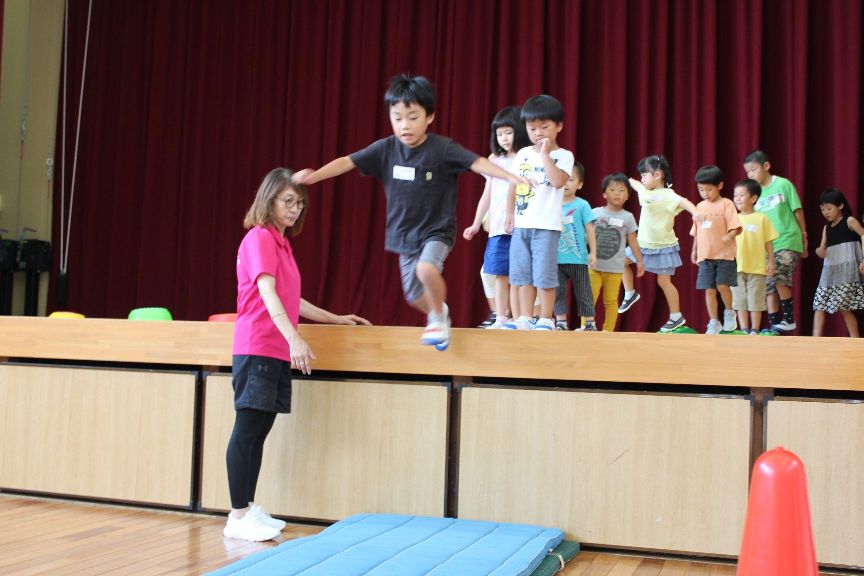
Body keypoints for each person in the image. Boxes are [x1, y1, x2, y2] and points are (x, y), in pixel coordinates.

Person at [294, 75, 527, 350]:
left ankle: (439, 318)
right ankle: (439, 311)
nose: (405, 125)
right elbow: (348, 161)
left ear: (429, 117)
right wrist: (315, 177)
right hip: (404, 235)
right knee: (413, 295)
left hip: (438, 230)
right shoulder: (386, 149)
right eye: (398, 118)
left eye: (413, 117)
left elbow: (477, 163)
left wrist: (510, 177)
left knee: (426, 268)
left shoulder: (443, 148)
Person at [225, 168, 370, 542]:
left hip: (274, 350)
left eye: (299, 203)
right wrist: (295, 340)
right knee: (248, 428)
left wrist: (335, 318)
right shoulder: (259, 238)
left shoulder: (282, 244)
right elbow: (268, 294)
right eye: (287, 201)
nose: (294, 209)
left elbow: (293, 299)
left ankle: (248, 507)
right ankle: (237, 514)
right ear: (269, 199)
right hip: (258, 345)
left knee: (260, 430)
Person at [502, 94, 574, 331]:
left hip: (547, 226)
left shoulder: (564, 156)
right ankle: (524, 317)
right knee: (521, 273)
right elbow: (513, 183)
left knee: (544, 274)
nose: (538, 132)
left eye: (544, 127)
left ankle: (545, 318)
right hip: (522, 224)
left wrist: (544, 155)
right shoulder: (522, 153)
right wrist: (509, 213)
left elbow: (557, 182)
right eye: (532, 128)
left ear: (559, 126)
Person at [463, 106, 531, 329]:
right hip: (498, 227)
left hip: (521, 226)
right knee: (499, 273)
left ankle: (522, 318)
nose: (503, 138)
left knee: (519, 275)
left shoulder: (526, 157)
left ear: (519, 131)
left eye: (508, 132)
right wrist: (475, 223)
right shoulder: (494, 159)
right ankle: (501, 317)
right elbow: (487, 194)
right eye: (499, 133)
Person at [620, 155, 702, 332]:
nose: (642, 178)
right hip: (642, 245)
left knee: (664, 281)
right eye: (641, 175)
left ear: (657, 175)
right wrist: (626, 180)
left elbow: (685, 202)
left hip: (662, 247)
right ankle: (630, 293)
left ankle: (676, 316)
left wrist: (695, 212)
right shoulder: (645, 192)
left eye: (645, 174)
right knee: (620, 262)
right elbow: (637, 185)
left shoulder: (667, 195)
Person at [743, 150, 807, 334]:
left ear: (766, 166)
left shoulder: (783, 184)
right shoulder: (754, 195)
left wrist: (804, 235)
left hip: (787, 238)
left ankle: (789, 319)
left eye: (754, 170)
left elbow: (797, 211)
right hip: (767, 246)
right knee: (768, 285)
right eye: (748, 173)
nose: (751, 175)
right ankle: (773, 326)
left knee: (779, 277)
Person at [689, 165, 742, 334]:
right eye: (701, 189)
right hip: (706, 255)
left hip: (725, 255)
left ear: (719, 186)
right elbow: (696, 232)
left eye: (709, 189)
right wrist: (694, 250)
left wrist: (729, 235)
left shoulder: (727, 204)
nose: (705, 193)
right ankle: (713, 321)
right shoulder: (699, 207)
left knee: (722, 286)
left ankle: (729, 312)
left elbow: (738, 228)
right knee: (709, 290)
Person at [589, 173, 644, 332]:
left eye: (621, 190)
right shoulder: (595, 213)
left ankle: (608, 330)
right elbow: (586, 235)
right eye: (612, 190)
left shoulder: (628, 217)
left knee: (611, 301)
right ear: (604, 194)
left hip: (615, 268)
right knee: (589, 299)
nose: (617, 193)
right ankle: (587, 327)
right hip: (593, 265)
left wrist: (639, 261)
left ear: (627, 195)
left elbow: (633, 241)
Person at [812, 188, 864, 337]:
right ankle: (815, 340)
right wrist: (819, 251)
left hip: (847, 270)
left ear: (840, 206)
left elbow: (863, 235)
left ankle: (855, 339)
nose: (825, 212)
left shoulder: (849, 221)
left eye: (829, 208)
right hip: (829, 272)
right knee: (819, 304)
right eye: (822, 209)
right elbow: (821, 249)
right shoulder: (826, 228)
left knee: (843, 307)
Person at [554, 162, 598, 330]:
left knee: (584, 292)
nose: (566, 183)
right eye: (563, 179)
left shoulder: (582, 205)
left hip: (578, 258)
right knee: (557, 292)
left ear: (580, 184)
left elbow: (590, 230)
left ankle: (590, 324)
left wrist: (593, 252)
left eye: (571, 179)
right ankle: (561, 322)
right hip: (556, 259)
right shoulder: (552, 203)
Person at [731, 178, 778, 334]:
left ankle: (754, 329)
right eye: (735, 195)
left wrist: (771, 262)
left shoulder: (762, 218)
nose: (737, 198)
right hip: (735, 267)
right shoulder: (732, 219)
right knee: (739, 300)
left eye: (741, 195)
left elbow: (769, 242)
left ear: (753, 198)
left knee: (756, 300)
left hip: (757, 268)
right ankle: (744, 329)